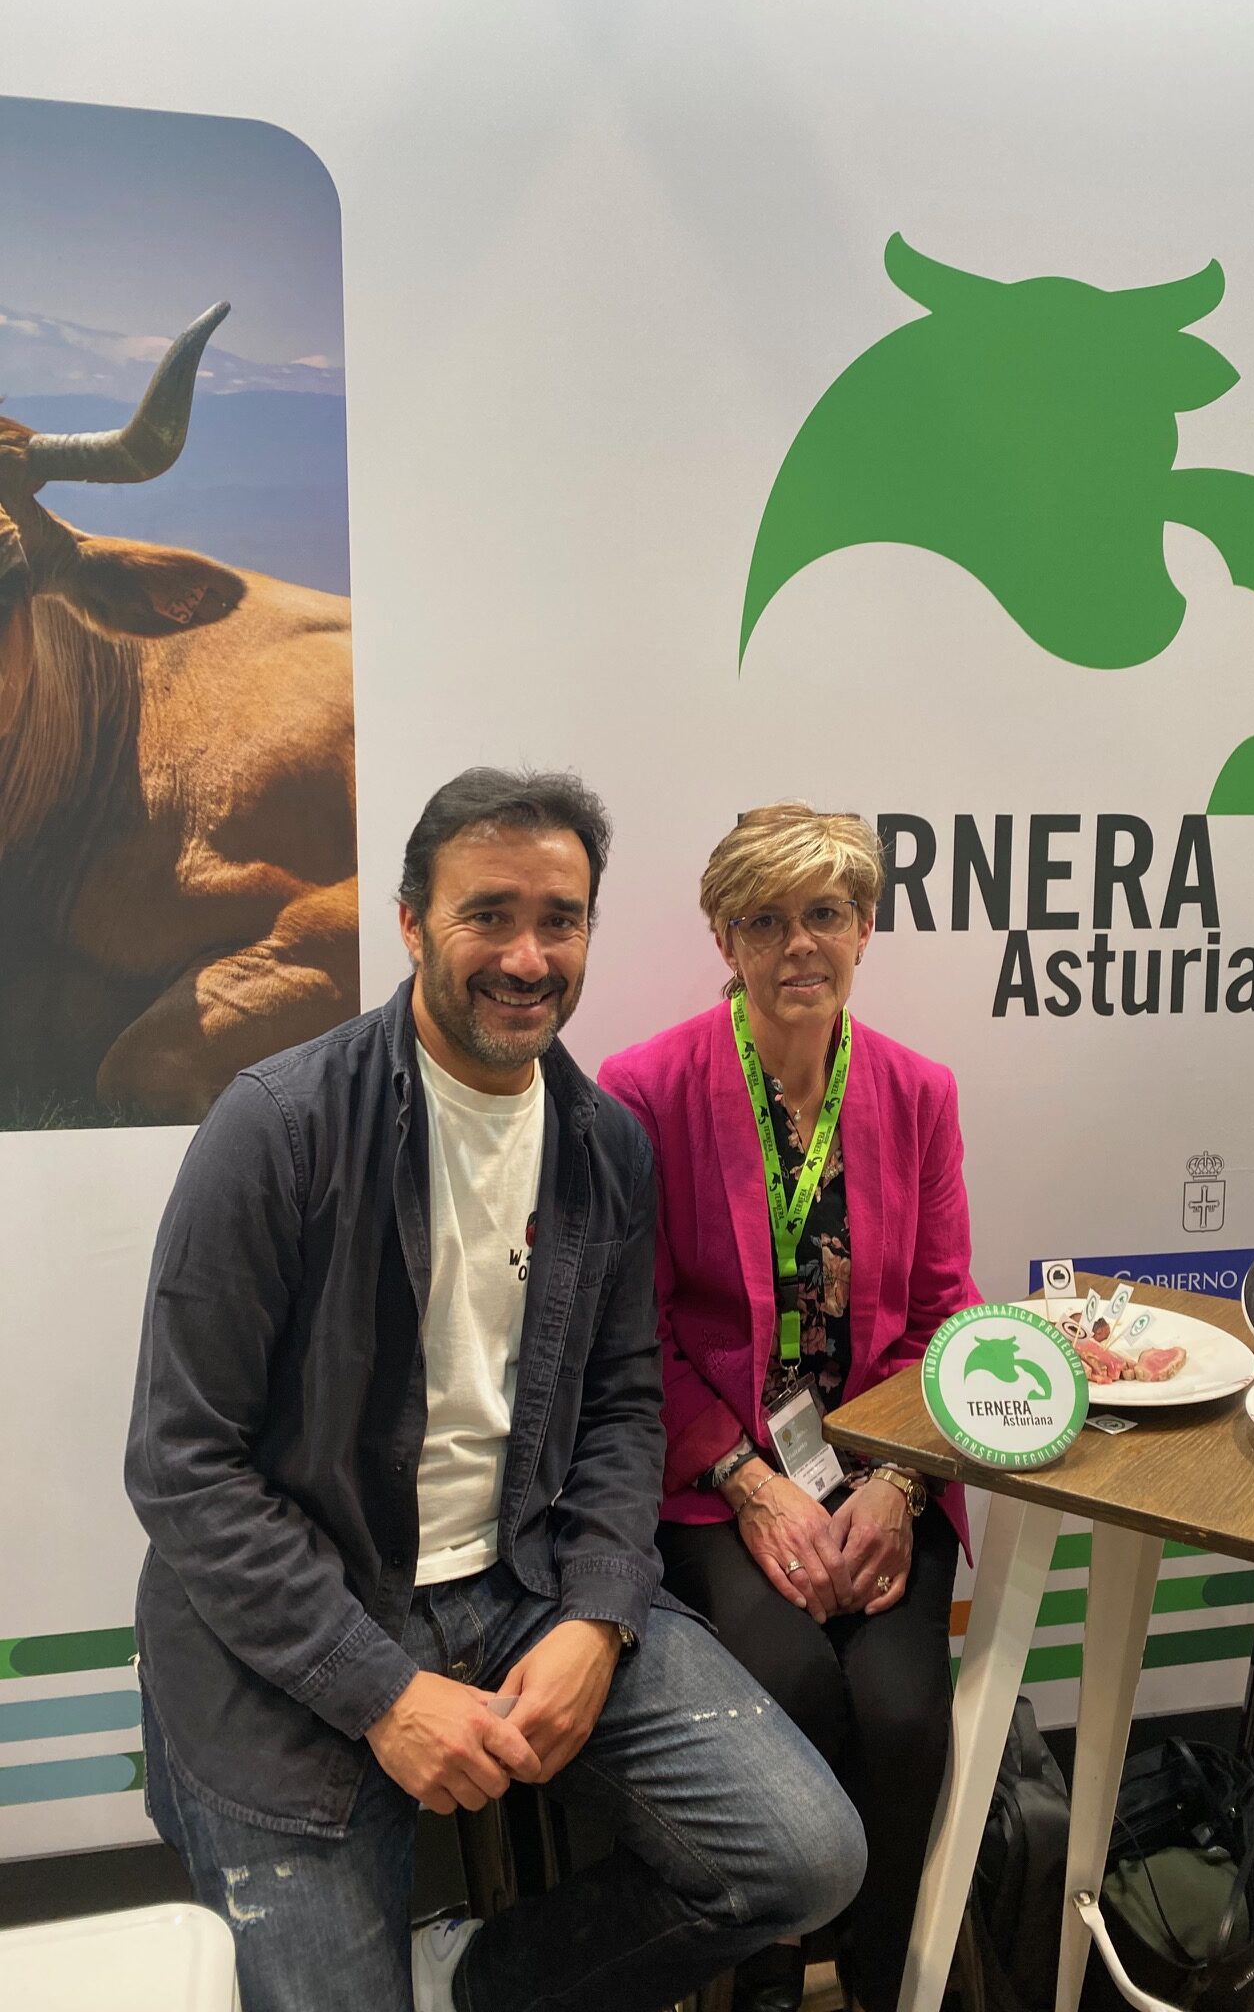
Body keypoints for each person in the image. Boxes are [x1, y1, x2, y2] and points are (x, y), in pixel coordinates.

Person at [125, 770, 865, 2012]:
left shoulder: (604, 1147)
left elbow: (624, 1412)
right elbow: (181, 1465)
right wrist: (382, 1691)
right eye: (489, 915)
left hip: (522, 1588)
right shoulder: (280, 1128)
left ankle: (477, 1982)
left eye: (560, 920)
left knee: (806, 1862)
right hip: (302, 1622)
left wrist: (599, 1615)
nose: (527, 957)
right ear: (411, 923)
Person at [599, 803, 977, 2012]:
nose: (798, 945)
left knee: (909, 1711)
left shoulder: (918, 1094)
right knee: (793, 1685)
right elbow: (633, 1332)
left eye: (825, 914)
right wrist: (752, 1485)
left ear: (866, 928)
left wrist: (899, 1481)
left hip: (879, 1471)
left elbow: (944, 1314)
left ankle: (877, 1978)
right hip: (719, 1484)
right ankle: (760, 1967)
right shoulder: (645, 1089)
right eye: (765, 920)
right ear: (725, 938)